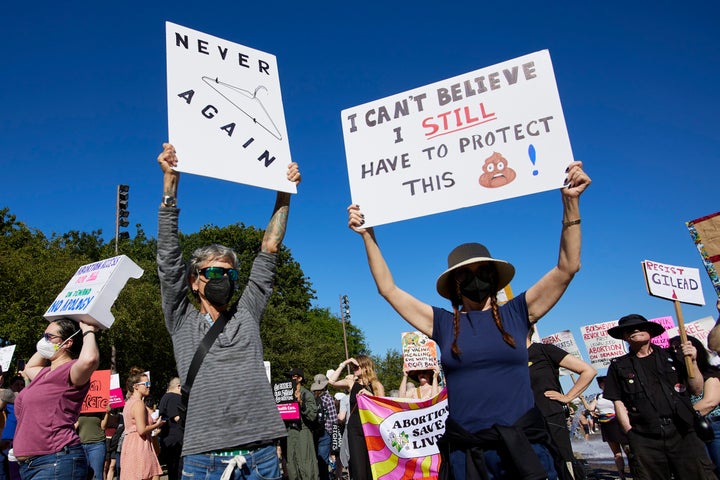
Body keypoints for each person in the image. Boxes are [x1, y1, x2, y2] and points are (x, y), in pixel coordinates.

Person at [347, 161, 590, 479]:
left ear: (495, 277)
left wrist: (571, 202)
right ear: (455, 285)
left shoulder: (517, 313)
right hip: (468, 457)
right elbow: (388, 289)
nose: (476, 280)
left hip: (525, 449)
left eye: (483, 272)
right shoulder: (444, 325)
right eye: (466, 275)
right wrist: (368, 235)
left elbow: (567, 267)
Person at [156, 143, 301, 480]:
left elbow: (270, 247)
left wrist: (285, 190)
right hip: (202, 460)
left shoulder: (247, 311)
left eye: (230, 273)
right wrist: (170, 186)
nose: (223, 279)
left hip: (262, 456)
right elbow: (168, 261)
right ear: (194, 281)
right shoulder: (182, 320)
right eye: (214, 272)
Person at [603, 314, 716, 479]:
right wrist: (630, 433)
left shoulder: (673, 357)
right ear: (624, 337)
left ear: (650, 332)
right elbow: (618, 402)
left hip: (682, 431)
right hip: (644, 437)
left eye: (640, 327)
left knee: (698, 474)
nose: (635, 330)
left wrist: (692, 362)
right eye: (628, 330)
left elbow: (697, 389)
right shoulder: (618, 366)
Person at [13, 318, 100, 480]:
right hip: (31, 466)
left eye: (49, 337)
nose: (43, 341)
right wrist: (47, 342)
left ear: (67, 343)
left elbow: (90, 360)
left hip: (55, 460)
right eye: (43, 336)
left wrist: (87, 330)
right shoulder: (43, 373)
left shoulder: (70, 370)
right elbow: (29, 367)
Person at [526, 327, 597, 479]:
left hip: (550, 416)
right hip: (522, 420)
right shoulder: (507, 358)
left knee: (562, 461)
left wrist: (568, 397)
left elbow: (588, 371)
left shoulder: (544, 350)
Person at [328, 356, 385, 480]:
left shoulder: (376, 385)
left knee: (371, 465)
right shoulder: (351, 383)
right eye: (352, 366)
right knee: (357, 466)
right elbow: (331, 382)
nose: (353, 369)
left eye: (356, 366)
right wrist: (344, 363)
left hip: (371, 429)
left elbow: (383, 407)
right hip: (354, 428)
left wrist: (369, 395)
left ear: (365, 367)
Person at [671, 335, 720, 475]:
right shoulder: (676, 378)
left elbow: (710, 402)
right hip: (690, 429)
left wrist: (681, 415)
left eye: (679, 347)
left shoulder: (710, 373)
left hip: (713, 427)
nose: (676, 351)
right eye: (673, 348)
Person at [581, 377, 639, 480]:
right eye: (600, 383)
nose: (602, 384)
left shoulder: (617, 393)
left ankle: (636, 473)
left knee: (628, 450)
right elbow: (590, 409)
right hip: (606, 425)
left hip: (618, 422)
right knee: (616, 454)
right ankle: (622, 476)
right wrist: (583, 400)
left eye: (603, 382)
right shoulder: (598, 397)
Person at [120, 368, 164, 480]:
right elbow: (141, 430)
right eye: (146, 384)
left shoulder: (129, 403)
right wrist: (157, 424)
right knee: (150, 475)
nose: (149, 386)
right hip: (140, 445)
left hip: (130, 445)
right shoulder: (138, 404)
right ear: (136, 386)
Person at [310, 374, 338, 480]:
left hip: (313, 432)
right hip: (325, 432)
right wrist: (331, 434)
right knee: (323, 461)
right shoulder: (328, 398)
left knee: (315, 459)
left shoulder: (311, 397)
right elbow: (333, 418)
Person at [158, 377, 183, 480]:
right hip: (177, 441)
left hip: (168, 440)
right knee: (178, 473)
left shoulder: (165, 397)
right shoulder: (174, 397)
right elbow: (177, 417)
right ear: (179, 386)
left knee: (173, 473)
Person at [0, 375, 25, 480]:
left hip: (20, 438)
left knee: (16, 471)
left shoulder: (25, 398)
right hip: (7, 437)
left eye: (22, 385)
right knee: (3, 470)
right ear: (11, 385)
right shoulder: (7, 396)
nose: (20, 387)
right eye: (17, 384)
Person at [76, 411, 110, 480]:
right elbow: (75, 425)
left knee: (96, 475)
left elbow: (103, 427)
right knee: (82, 474)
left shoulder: (100, 409)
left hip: (97, 445)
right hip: (81, 445)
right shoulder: (80, 409)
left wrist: (107, 413)